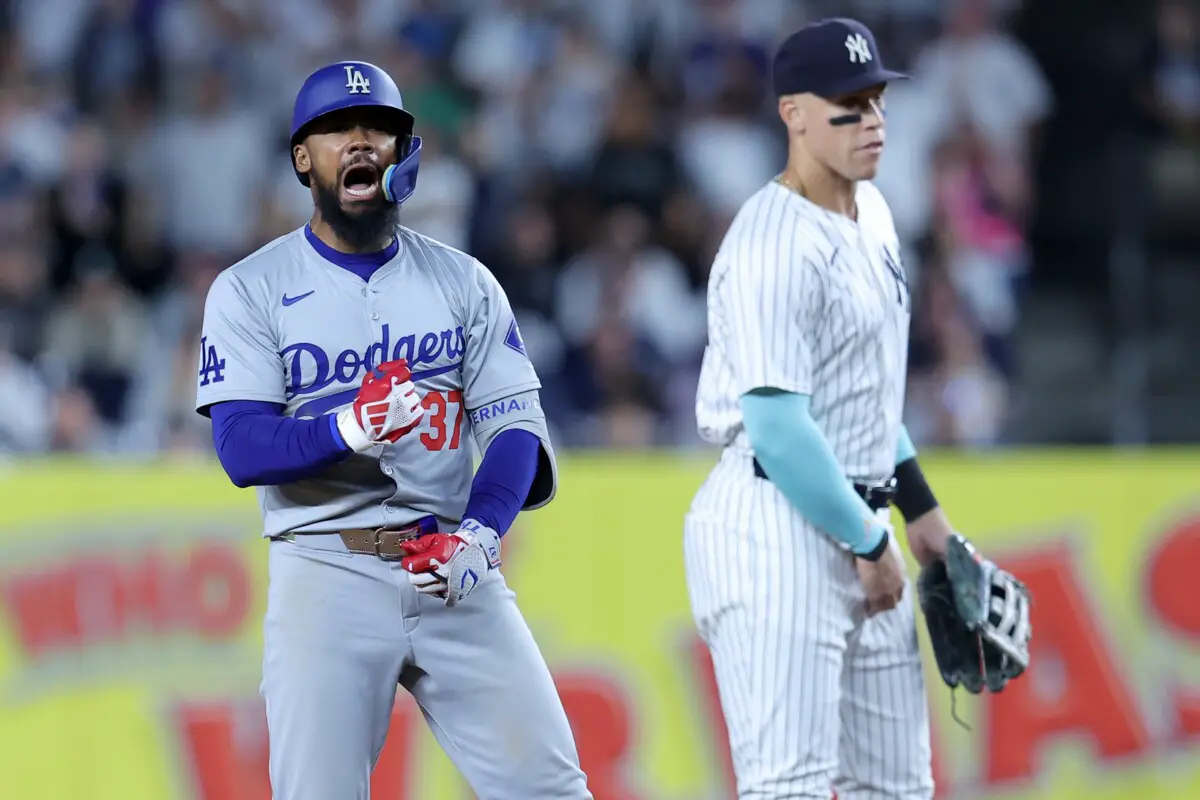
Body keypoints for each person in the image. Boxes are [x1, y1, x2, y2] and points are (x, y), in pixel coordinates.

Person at [194, 61, 591, 800]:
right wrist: (346, 425)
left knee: (553, 790)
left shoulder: (464, 281)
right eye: (336, 128)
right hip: (325, 567)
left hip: (450, 566)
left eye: (378, 126)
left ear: (405, 152)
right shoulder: (252, 288)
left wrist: (481, 532)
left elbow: (514, 427)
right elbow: (241, 448)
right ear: (301, 158)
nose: (360, 140)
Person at [684, 19, 959, 799]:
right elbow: (777, 430)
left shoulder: (871, 214)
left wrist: (922, 511)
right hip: (772, 522)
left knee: (897, 789)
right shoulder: (771, 243)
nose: (871, 121)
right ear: (793, 114)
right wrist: (872, 539)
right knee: (790, 788)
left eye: (875, 101)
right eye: (847, 107)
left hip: (853, 510)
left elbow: (862, 396)